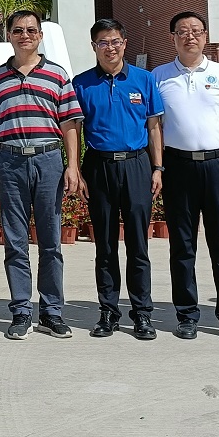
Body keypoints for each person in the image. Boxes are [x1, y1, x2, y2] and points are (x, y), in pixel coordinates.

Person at [153, 12, 219, 343]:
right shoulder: (159, 76)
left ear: (205, 36)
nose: (190, 37)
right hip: (178, 166)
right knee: (182, 245)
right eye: (182, 31)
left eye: (196, 31)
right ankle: (186, 314)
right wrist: (157, 167)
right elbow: (154, 126)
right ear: (173, 37)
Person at [0, 10, 83, 340]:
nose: (24, 35)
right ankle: (21, 311)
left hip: (48, 160)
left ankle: (52, 312)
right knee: (15, 242)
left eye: (30, 30)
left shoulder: (57, 75)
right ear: (8, 36)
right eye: (17, 30)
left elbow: (69, 124)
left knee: (51, 241)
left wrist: (72, 166)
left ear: (40, 35)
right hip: (10, 162)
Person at [73, 18, 164, 340]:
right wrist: (77, 171)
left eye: (115, 42)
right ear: (93, 46)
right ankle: (108, 312)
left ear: (124, 43)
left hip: (137, 165)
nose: (110, 48)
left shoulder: (144, 79)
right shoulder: (81, 83)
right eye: (103, 42)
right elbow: (75, 130)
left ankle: (142, 314)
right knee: (105, 245)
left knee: (138, 244)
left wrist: (158, 168)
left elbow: (154, 127)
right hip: (99, 167)